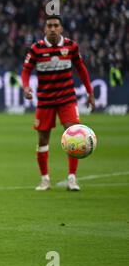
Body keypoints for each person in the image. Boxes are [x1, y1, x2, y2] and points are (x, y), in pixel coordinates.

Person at [21, 15, 95, 191]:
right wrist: (25, 87)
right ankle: (45, 179)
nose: (53, 28)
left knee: (74, 134)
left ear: (61, 29)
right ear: (44, 29)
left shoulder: (71, 46)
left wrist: (90, 92)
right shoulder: (36, 48)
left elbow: (81, 69)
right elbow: (25, 71)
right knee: (42, 139)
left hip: (67, 99)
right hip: (45, 101)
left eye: (56, 25)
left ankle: (72, 178)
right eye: (49, 26)